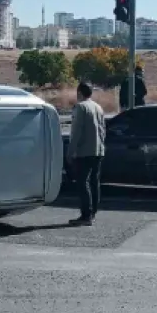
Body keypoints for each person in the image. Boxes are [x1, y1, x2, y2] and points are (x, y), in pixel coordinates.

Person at [68, 81, 106, 226]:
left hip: (84, 151)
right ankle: (93, 212)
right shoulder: (98, 107)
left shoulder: (80, 107)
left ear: (79, 93)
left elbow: (76, 131)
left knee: (83, 183)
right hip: (98, 150)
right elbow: (103, 129)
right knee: (94, 182)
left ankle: (86, 214)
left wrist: (71, 151)